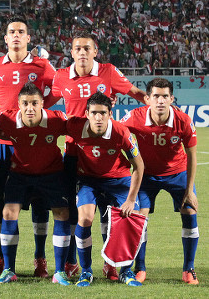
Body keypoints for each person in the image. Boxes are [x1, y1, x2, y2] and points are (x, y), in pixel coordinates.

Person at [51, 31, 146, 280]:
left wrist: (154, 101)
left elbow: (134, 91)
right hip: (75, 154)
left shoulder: (108, 72)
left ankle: (111, 265)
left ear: (95, 51)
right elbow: (45, 103)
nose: (82, 52)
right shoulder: (61, 76)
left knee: (111, 214)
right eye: (77, 48)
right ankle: (74, 264)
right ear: (71, 53)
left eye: (87, 48)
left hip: (108, 155)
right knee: (77, 214)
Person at [0, 17, 59, 277]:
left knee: (39, 202)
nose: (16, 35)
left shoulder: (42, 65)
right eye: (11, 32)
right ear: (5, 38)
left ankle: (40, 259)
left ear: (28, 38)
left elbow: (58, 89)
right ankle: (1, 259)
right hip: (4, 144)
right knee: (1, 202)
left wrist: (41, 108)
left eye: (21, 32)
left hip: (34, 142)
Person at [120, 78, 199, 284]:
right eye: (156, 96)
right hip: (146, 176)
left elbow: (192, 156)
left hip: (177, 173)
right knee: (139, 218)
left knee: (190, 213)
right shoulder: (133, 118)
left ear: (172, 99)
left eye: (165, 96)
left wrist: (189, 190)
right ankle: (140, 268)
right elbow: (115, 134)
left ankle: (188, 269)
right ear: (147, 99)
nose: (161, 100)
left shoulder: (183, 121)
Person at [0, 82, 70, 285]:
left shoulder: (56, 120)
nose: (30, 108)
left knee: (62, 213)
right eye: (25, 103)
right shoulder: (7, 119)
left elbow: (78, 124)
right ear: (18, 104)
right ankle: (9, 269)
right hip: (20, 174)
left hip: (51, 174)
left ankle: (60, 271)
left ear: (42, 103)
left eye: (34, 103)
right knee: (8, 212)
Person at [65, 92, 144, 287]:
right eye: (94, 113)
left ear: (110, 113)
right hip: (88, 180)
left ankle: (126, 271)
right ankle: (86, 271)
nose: (98, 118)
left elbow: (139, 166)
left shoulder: (121, 132)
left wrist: (131, 199)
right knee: (84, 219)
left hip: (118, 180)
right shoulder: (75, 126)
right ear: (87, 113)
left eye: (103, 113)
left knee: (129, 217)